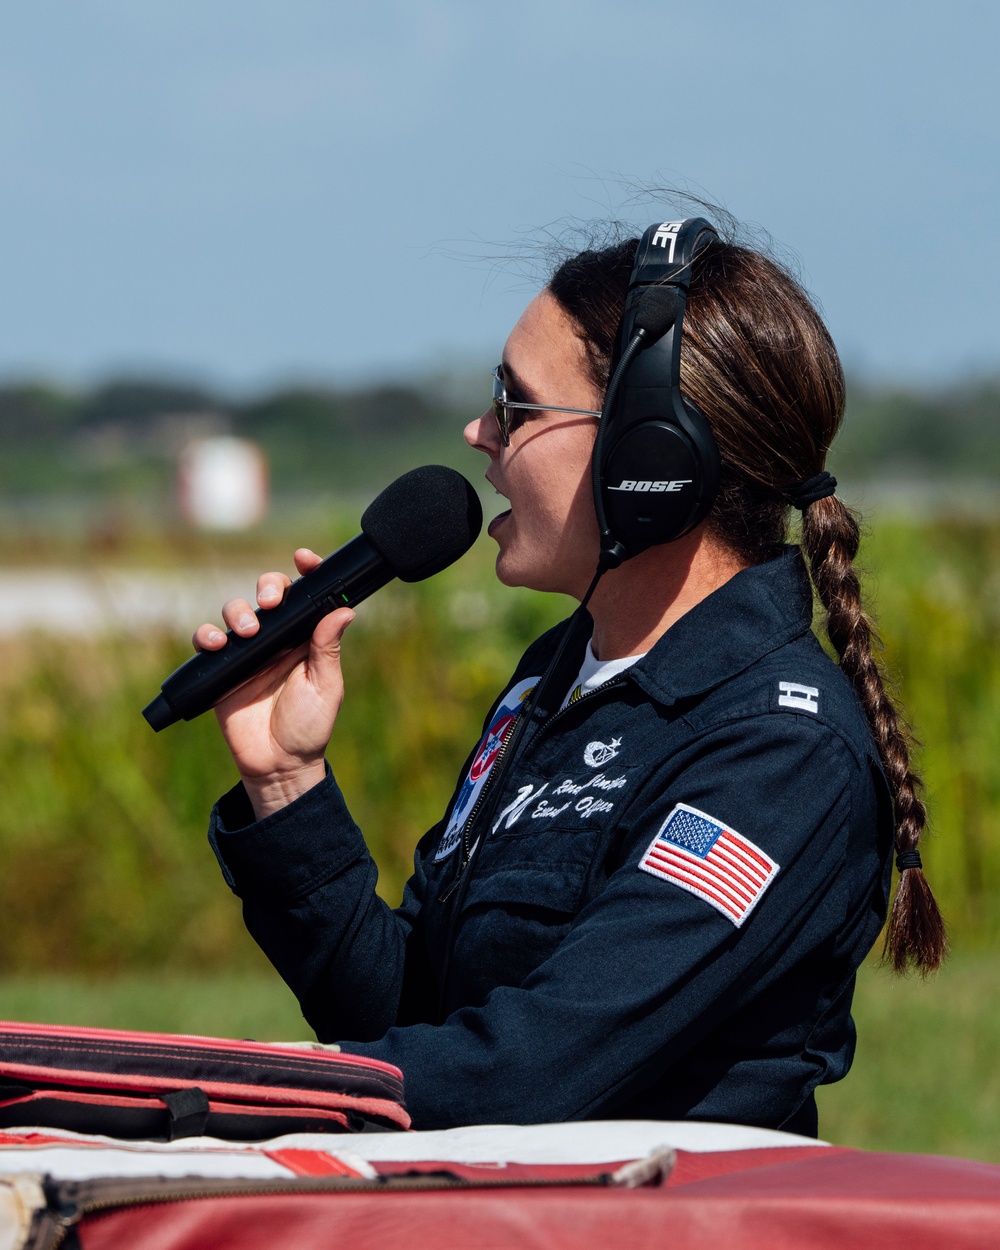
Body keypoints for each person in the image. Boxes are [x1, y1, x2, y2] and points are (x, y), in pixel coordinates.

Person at [195, 218, 945, 1135]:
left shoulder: (784, 753)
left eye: (516, 407)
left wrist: (226, 1090)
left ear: (652, 462)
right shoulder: (553, 678)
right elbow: (408, 1020)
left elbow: (527, 1075)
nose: (478, 433)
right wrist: (285, 782)